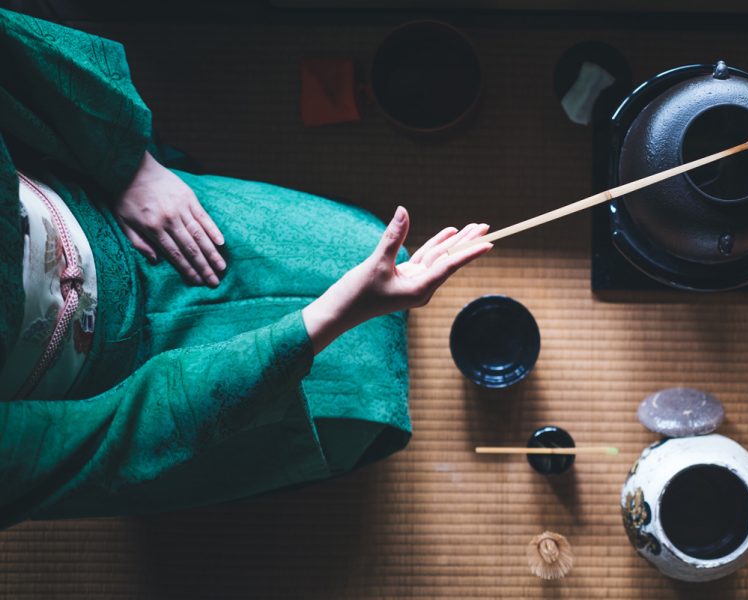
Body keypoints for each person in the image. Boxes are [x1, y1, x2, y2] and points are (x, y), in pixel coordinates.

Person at [0, 8, 492, 529]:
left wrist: (128, 165)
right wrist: (329, 315)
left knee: (362, 242)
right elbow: (119, 439)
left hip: (109, 212)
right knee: (352, 406)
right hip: (115, 384)